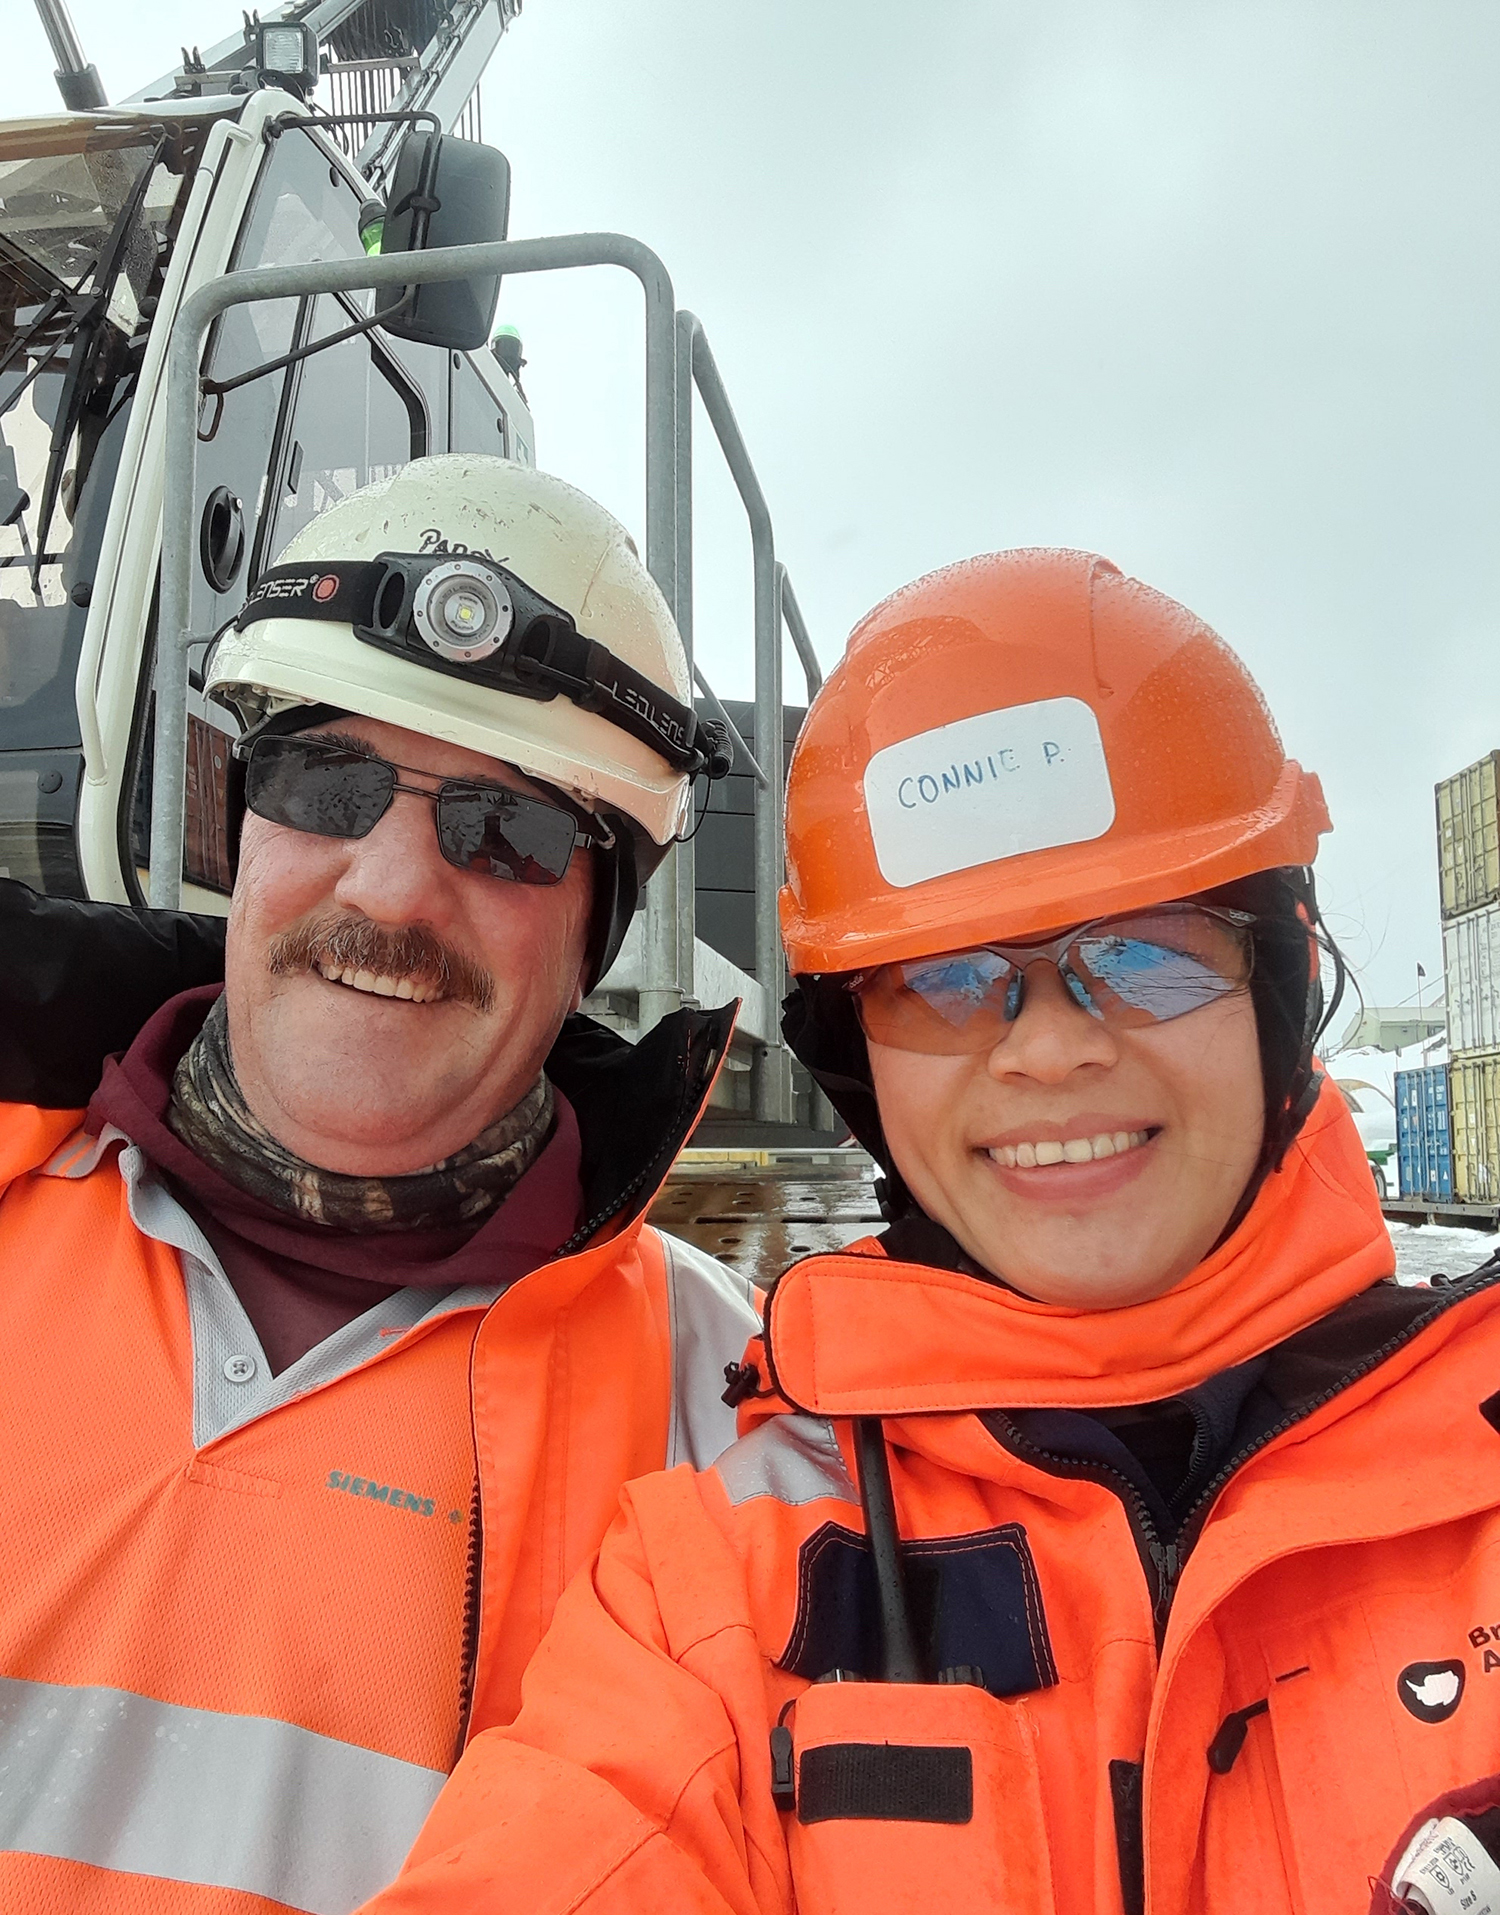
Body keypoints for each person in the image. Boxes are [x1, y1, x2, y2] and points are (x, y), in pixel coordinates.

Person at [361, 548, 1500, 1915]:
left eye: (1143, 951)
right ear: (862, 1068)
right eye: (947, 982)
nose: (1050, 1051)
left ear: (1277, 986)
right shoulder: (716, 1590)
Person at [0, 455, 758, 1914]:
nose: (391, 890)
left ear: (594, 935)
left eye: (508, 830)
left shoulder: (721, 1418)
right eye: (329, 784)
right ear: (244, 825)